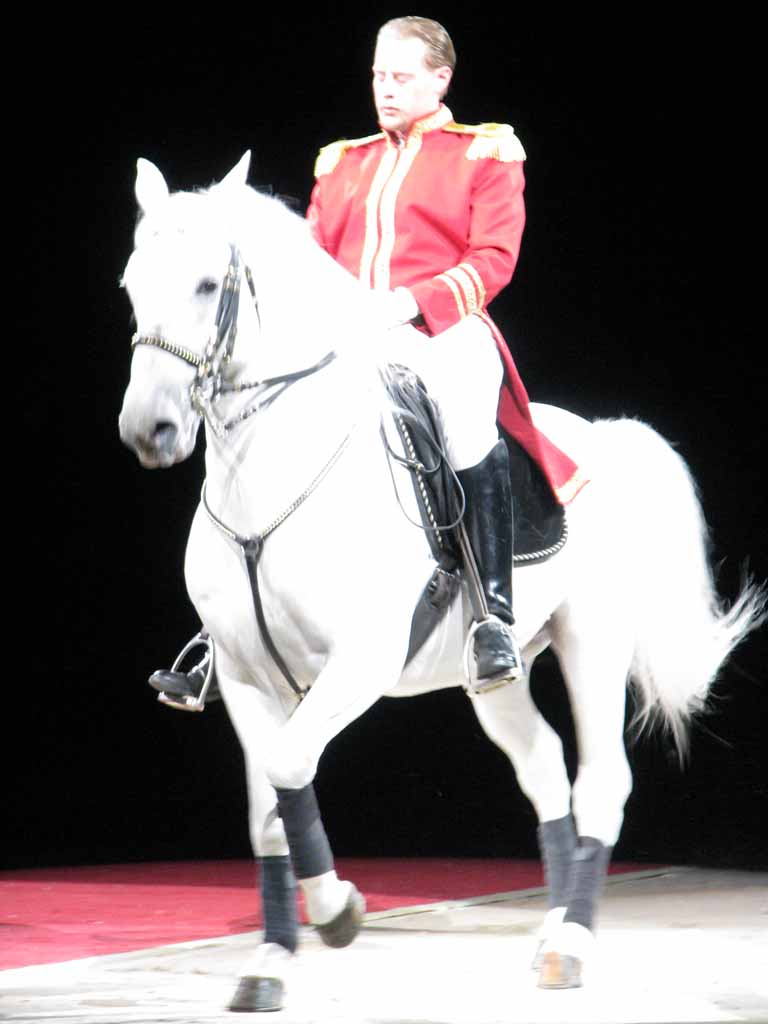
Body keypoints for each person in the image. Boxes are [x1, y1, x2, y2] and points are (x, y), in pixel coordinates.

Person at [151, 15, 585, 703]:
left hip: (444, 329)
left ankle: (492, 614)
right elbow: (311, 259)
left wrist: (410, 305)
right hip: (349, 329)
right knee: (256, 413)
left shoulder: (484, 152)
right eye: (380, 75)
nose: (386, 89)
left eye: (402, 77)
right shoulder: (342, 161)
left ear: (440, 79)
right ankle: (219, 627)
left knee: (468, 413)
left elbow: (493, 258)